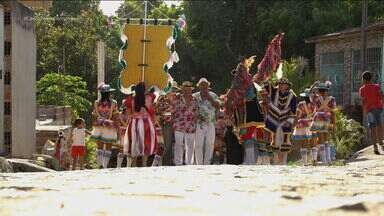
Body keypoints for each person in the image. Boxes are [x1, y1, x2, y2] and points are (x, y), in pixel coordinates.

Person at [124, 82, 158, 167]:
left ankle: (134, 163)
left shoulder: (131, 99)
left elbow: (128, 114)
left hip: (134, 122)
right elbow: (152, 110)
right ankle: (144, 163)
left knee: (134, 142)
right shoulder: (149, 98)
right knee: (146, 142)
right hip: (146, 122)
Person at [264, 78, 297, 165]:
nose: (282, 86)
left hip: (286, 119)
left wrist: (290, 121)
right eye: (280, 84)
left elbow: (293, 110)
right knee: (274, 140)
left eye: (284, 84)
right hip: (274, 118)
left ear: (287, 86)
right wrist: (265, 74)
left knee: (285, 140)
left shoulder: (292, 95)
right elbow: (266, 84)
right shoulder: (274, 91)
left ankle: (283, 162)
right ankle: (275, 161)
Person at [193, 78, 221, 165]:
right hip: (199, 123)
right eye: (202, 84)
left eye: (205, 84)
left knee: (210, 144)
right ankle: (199, 164)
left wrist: (210, 99)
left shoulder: (213, 95)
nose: (204, 86)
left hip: (211, 122)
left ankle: (207, 163)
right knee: (198, 144)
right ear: (199, 86)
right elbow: (190, 108)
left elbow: (218, 106)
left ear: (208, 86)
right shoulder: (194, 96)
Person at [91, 83, 119, 168]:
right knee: (108, 146)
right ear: (109, 93)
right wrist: (117, 127)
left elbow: (94, 115)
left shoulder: (96, 103)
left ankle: (99, 164)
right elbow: (116, 115)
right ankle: (105, 165)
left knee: (99, 146)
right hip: (109, 126)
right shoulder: (113, 103)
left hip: (99, 126)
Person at [171, 81, 198, 165]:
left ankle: (189, 163)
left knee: (190, 146)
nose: (187, 91)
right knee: (178, 145)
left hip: (191, 125)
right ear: (182, 90)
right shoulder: (177, 98)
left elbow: (197, 111)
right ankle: (178, 163)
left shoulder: (195, 99)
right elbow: (172, 110)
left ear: (191, 90)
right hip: (179, 124)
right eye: (185, 89)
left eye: (188, 89)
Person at [310, 81, 336, 165]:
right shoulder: (331, 99)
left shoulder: (316, 98)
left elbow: (310, 93)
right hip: (327, 119)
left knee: (321, 140)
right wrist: (334, 123)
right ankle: (328, 160)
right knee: (326, 140)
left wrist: (314, 85)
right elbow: (333, 112)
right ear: (326, 91)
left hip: (318, 118)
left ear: (318, 91)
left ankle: (325, 160)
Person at [155, 82, 180, 166]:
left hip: (178, 124)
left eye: (175, 89)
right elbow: (157, 111)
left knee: (176, 144)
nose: (174, 91)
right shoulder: (162, 97)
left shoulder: (178, 98)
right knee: (168, 144)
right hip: (167, 123)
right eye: (172, 89)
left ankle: (172, 162)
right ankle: (166, 163)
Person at [359, 71, 384, 154]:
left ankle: (375, 147)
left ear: (364, 79)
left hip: (370, 111)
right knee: (380, 125)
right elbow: (382, 96)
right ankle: (381, 142)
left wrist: (364, 111)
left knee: (372, 128)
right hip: (379, 109)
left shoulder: (362, 89)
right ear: (371, 78)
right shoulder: (377, 87)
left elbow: (363, 102)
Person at [292, 88, 315, 165]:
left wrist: (294, 123)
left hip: (301, 124)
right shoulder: (313, 104)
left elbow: (297, 115)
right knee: (311, 143)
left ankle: (305, 162)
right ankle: (312, 160)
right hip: (310, 124)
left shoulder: (300, 104)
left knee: (302, 144)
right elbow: (314, 115)